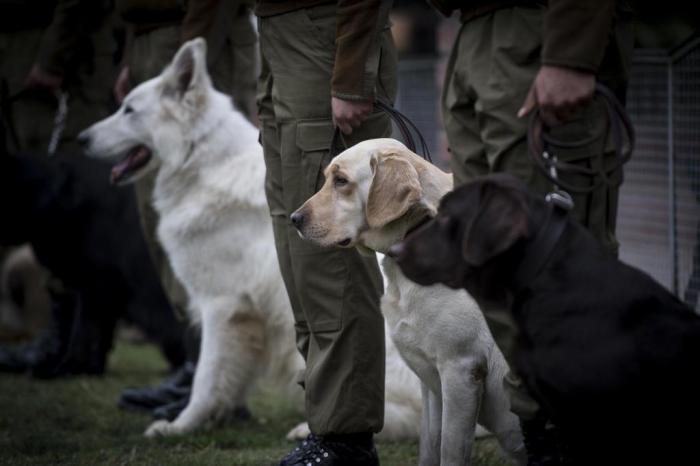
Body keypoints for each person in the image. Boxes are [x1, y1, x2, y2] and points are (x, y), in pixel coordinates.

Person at [431, 0, 634, 464]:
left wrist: (570, 52)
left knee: (555, 269)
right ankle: (543, 434)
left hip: (537, 27)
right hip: (472, 27)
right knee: (493, 263)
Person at [255, 1, 397, 464]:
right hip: (280, 35)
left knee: (331, 258)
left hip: (323, 33)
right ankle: (326, 420)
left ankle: (346, 438)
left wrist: (352, 74)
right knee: (297, 251)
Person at [112, 0, 257, 422]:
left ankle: (211, 391)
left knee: (211, 251)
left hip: (196, 38)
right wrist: (131, 53)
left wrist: (189, 53)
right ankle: (199, 375)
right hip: (152, 38)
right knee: (167, 229)